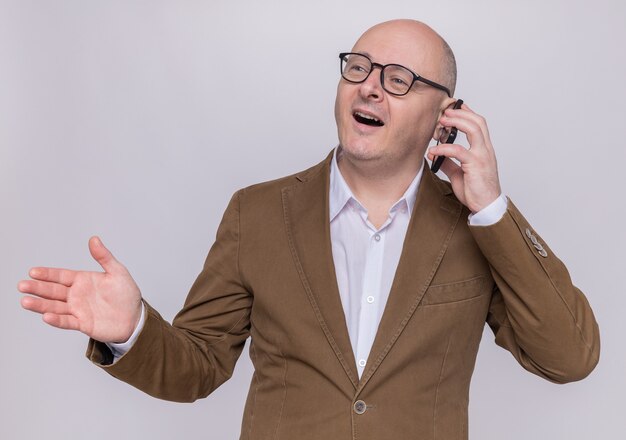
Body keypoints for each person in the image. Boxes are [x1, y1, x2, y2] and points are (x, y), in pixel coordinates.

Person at [18, 19, 599, 439]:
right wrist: (133, 329)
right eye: (359, 68)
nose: (370, 85)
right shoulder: (257, 213)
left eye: (399, 79)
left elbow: (569, 357)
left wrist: (491, 207)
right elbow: (198, 365)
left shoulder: (474, 228)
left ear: (445, 113)